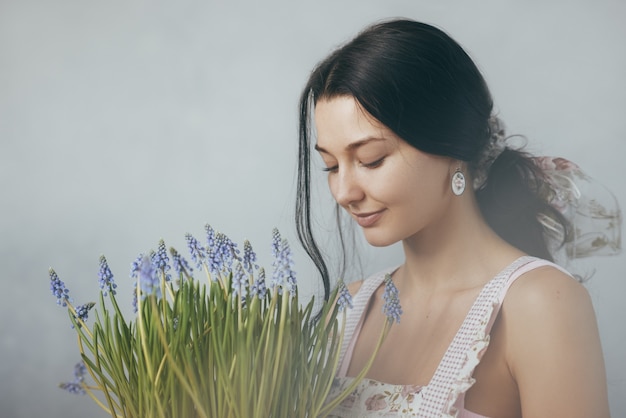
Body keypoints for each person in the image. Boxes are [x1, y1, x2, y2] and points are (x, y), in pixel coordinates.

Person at [295, 19, 615, 417]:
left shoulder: (539, 304)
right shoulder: (347, 309)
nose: (344, 192)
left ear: (451, 147)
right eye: (330, 166)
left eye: (370, 160)